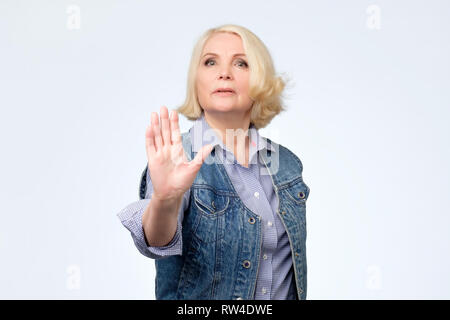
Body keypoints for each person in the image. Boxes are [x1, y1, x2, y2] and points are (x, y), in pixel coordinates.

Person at [117, 24, 310, 300]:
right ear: (196, 81)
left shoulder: (288, 165)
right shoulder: (178, 156)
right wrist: (165, 199)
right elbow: (155, 241)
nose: (224, 73)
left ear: (261, 80)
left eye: (241, 63)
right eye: (210, 62)